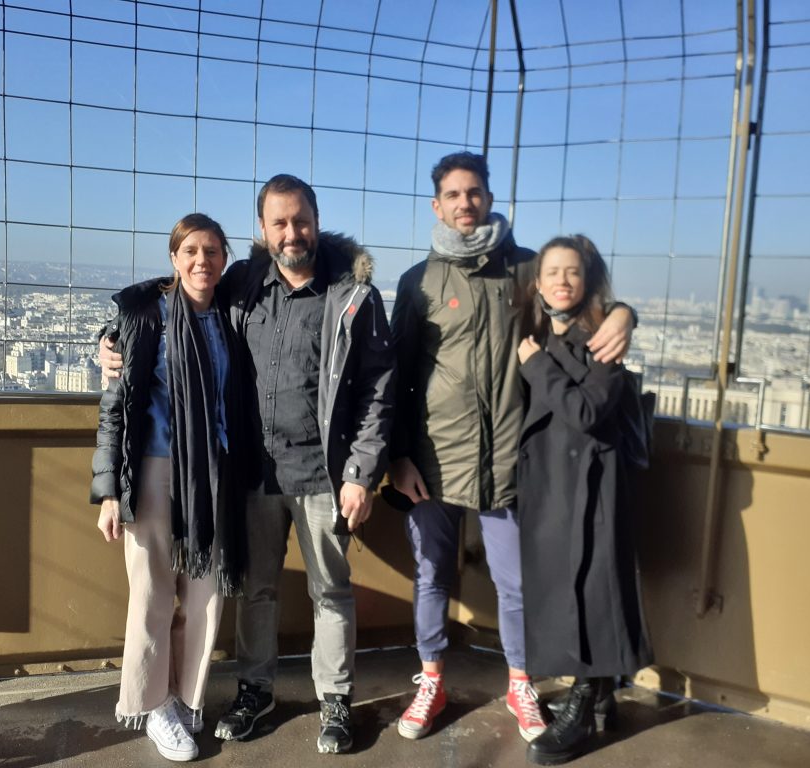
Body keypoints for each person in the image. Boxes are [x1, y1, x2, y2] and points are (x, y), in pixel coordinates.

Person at [99, 175, 394, 755]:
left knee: (329, 591)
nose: (292, 233)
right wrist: (109, 337)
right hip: (252, 473)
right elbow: (170, 297)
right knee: (254, 589)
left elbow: (379, 389)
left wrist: (361, 473)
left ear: (316, 219)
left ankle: (334, 701)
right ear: (261, 231)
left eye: (301, 220)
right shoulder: (244, 284)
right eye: (278, 223)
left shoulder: (352, 294)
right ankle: (254, 692)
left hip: (322, 473)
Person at [388, 152, 636, 742]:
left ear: (490, 198)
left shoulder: (528, 272)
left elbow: (587, 303)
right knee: (430, 578)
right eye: (453, 194)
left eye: (474, 192)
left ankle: (520, 681)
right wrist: (397, 456)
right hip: (431, 460)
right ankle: (431, 679)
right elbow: (394, 373)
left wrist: (626, 313)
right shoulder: (417, 282)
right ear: (436, 205)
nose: (465, 203)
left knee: (516, 583)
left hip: (508, 460)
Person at [90, 213, 249, 762]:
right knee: (153, 592)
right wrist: (111, 491)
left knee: (205, 595)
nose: (202, 261)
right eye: (191, 252)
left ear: (225, 259)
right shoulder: (145, 317)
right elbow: (115, 408)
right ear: (174, 260)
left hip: (214, 473)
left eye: (212, 252)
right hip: (154, 468)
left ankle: (188, 695)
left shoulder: (231, 314)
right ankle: (153, 704)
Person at [516, 235, 652, 766]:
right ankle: (598, 696)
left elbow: (590, 412)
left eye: (573, 272)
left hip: (592, 485)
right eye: (552, 271)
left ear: (588, 281)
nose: (561, 281)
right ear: (538, 280)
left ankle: (584, 699)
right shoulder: (539, 333)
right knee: (574, 586)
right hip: (552, 484)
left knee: (594, 589)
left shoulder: (602, 340)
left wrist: (538, 367)